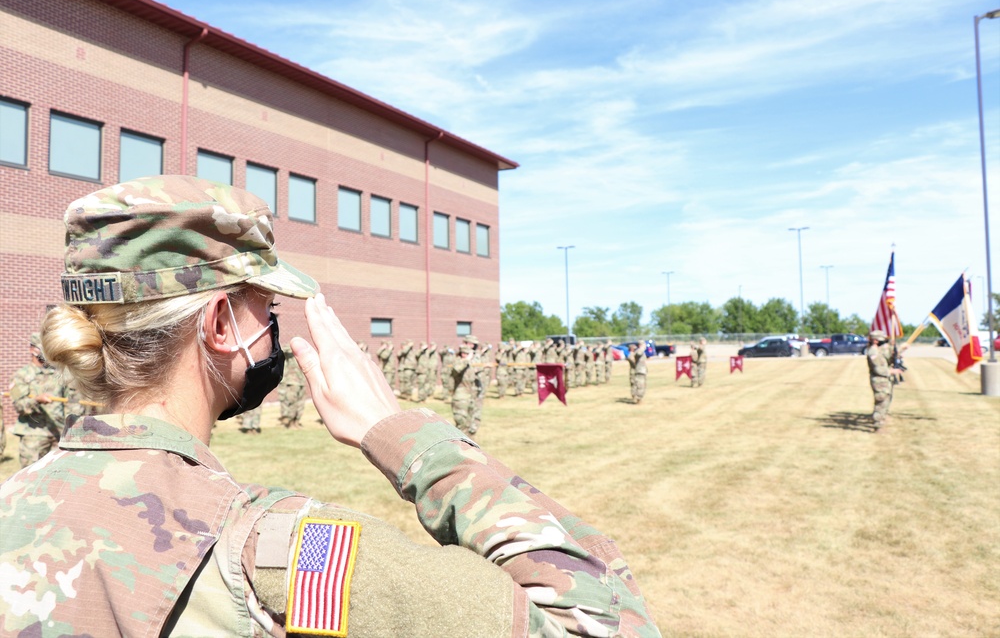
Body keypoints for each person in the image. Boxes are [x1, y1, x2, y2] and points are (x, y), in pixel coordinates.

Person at [0, 176, 659, 637]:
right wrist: (409, 439)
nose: (276, 326)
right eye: (270, 307)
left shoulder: (12, 507)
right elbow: (599, 621)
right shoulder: (282, 551)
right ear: (222, 321)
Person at [8, 333, 67, 468]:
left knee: (57, 477)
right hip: (34, 436)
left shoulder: (58, 374)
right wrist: (37, 400)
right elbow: (19, 406)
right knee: (30, 478)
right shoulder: (20, 376)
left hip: (58, 433)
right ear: (32, 350)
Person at [867, 330, 894, 431]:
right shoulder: (873, 351)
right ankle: (877, 425)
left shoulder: (878, 350)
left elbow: (886, 359)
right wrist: (891, 372)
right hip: (879, 380)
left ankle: (881, 421)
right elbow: (877, 368)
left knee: (885, 400)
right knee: (880, 402)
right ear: (875, 340)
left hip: (883, 380)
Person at [278, 345, 307, 428]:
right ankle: (290, 422)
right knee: (292, 403)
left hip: (301, 382)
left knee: (300, 404)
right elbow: (282, 350)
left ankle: (297, 421)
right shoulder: (289, 354)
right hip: (292, 382)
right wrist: (292, 347)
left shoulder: (302, 355)